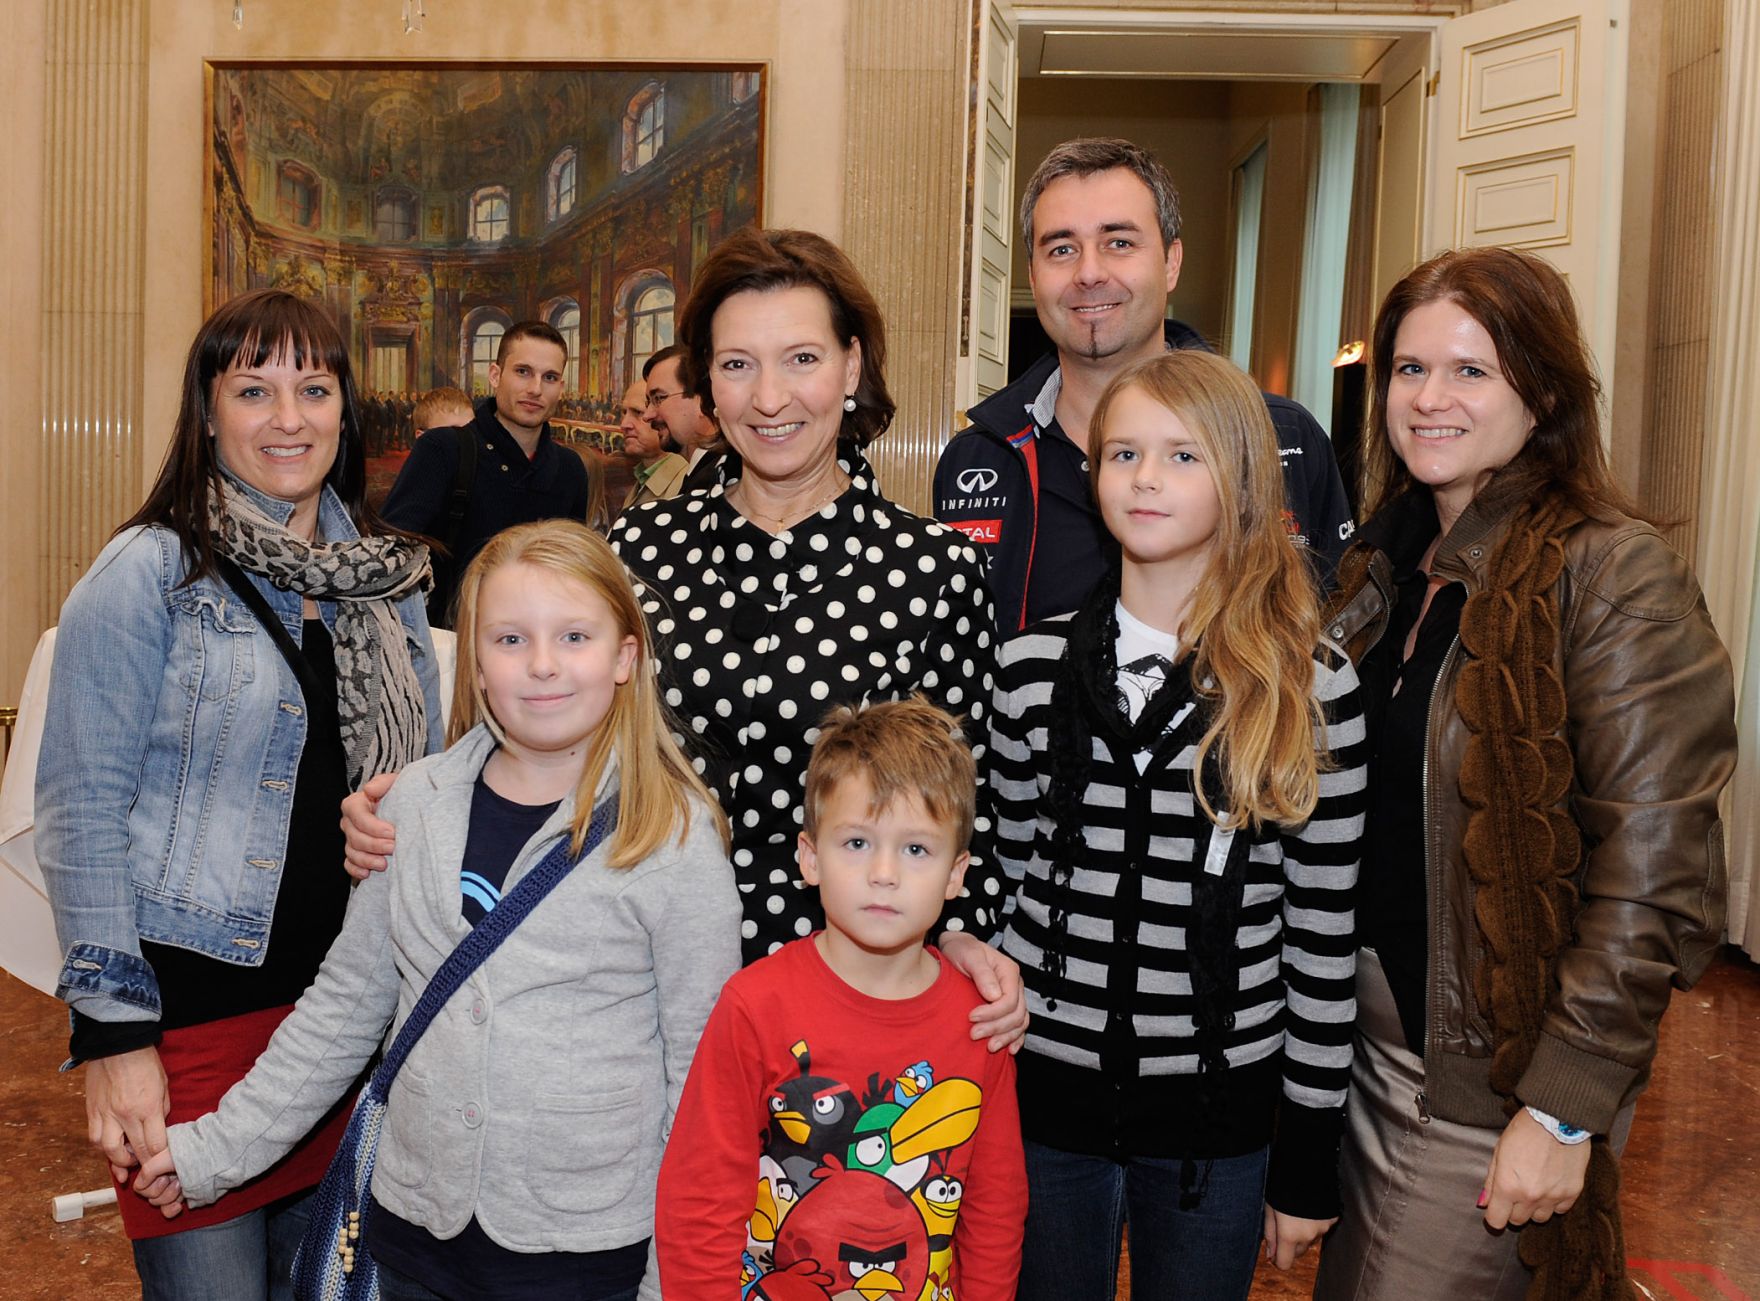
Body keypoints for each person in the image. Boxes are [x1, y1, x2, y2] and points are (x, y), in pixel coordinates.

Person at [339, 229, 1027, 1048]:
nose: (769, 398)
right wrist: (414, 805)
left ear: (851, 366)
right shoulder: (636, 550)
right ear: (707, 383)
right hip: (624, 986)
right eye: (738, 365)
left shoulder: (933, 568)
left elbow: (966, 794)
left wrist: (962, 929)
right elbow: (545, 728)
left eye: (801, 359)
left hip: (840, 995)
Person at [135, 519, 743, 1301]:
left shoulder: (674, 837)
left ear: (626, 657)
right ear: (476, 661)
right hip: (413, 1235)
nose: (545, 665)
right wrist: (212, 1152)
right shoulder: (414, 805)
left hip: (586, 1251)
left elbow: (699, 1083)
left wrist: (675, 1283)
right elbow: (343, 1011)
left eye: (576, 636)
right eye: (511, 639)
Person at [1311, 247, 1738, 1300]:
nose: (1428, 398)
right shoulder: (1378, 567)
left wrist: (1560, 1107)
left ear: (1540, 391)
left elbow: (1657, 872)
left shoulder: (1611, 571)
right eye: (1408, 370)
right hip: (1355, 1049)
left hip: (1482, 1073)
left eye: (1469, 371)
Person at [35, 287, 444, 1301]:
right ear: (207, 409)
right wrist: (115, 1040)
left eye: (314, 387)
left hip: (348, 1023)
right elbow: (81, 809)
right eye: (254, 388)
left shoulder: (389, 585)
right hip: (194, 1035)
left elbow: (424, 790)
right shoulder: (148, 572)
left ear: (347, 408)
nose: (289, 416)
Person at [989, 349, 1366, 1300]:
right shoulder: (1032, 667)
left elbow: (1322, 941)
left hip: (1217, 1118)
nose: (1146, 477)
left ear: (1242, 480)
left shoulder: (1311, 687)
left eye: (1183, 455)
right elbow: (1002, 871)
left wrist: (1307, 1155)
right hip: (1045, 1101)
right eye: (1123, 453)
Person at [654, 697, 1027, 1300]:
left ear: (957, 874)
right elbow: (698, 1201)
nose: (884, 873)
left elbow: (995, 1208)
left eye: (915, 849)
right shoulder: (754, 1005)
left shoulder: (980, 1019)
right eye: (856, 843)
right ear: (809, 856)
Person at [934, 137, 1354, 634]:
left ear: (1171, 262)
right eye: (1062, 248)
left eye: (1119, 242)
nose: (1089, 273)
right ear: (1033, 273)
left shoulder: (1282, 438)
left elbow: (1335, 633)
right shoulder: (979, 460)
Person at [380, 322, 591, 628]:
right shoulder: (443, 450)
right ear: (495, 375)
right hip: (450, 646)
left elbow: (571, 572)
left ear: (561, 387)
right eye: (523, 371)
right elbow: (389, 555)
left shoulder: (571, 470)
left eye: (549, 377)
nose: (535, 388)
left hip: (539, 647)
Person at [641, 343, 725, 492]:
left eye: (659, 398)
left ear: (703, 399)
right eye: (649, 402)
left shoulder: (718, 481)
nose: (647, 416)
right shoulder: (702, 475)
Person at [617, 377, 687, 511]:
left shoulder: (684, 484)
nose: (624, 424)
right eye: (624, 412)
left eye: (638, 412)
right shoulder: (644, 475)